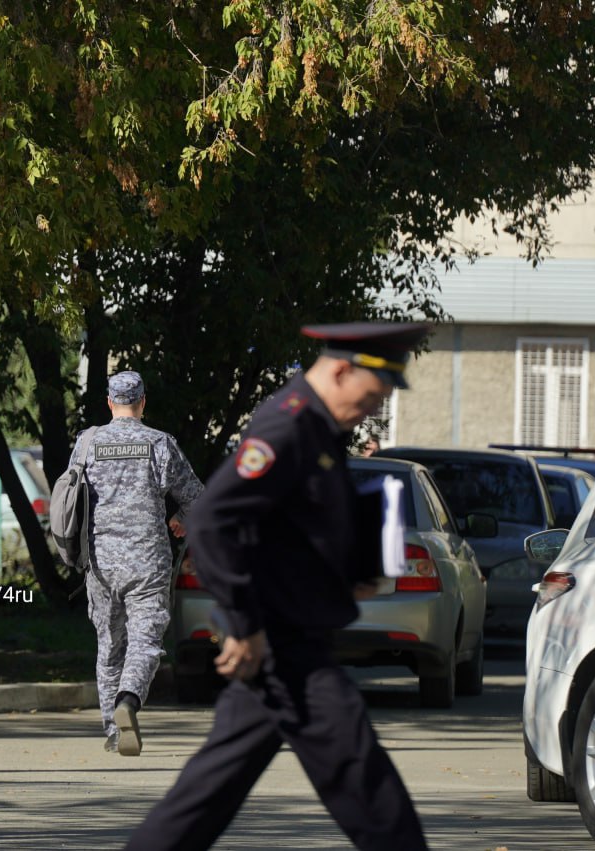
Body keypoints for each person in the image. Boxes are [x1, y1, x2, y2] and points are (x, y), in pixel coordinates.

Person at [124, 322, 430, 850]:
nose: (373, 410)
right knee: (365, 781)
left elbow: (292, 527)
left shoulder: (319, 427)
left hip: (288, 638)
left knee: (208, 793)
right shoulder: (289, 425)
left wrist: (347, 576)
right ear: (341, 370)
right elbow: (213, 521)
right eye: (372, 395)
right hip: (284, 645)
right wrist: (245, 625)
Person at [74, 370, 204, 757]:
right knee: (145, 641)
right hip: (148, 561)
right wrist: (182, 517)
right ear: (143, 402)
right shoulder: (159, 444)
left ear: (109, 402)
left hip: (100, 561)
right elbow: (197, 497)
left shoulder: (87, 443)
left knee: (109, 645)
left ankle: (113, 732)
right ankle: (128, 699)